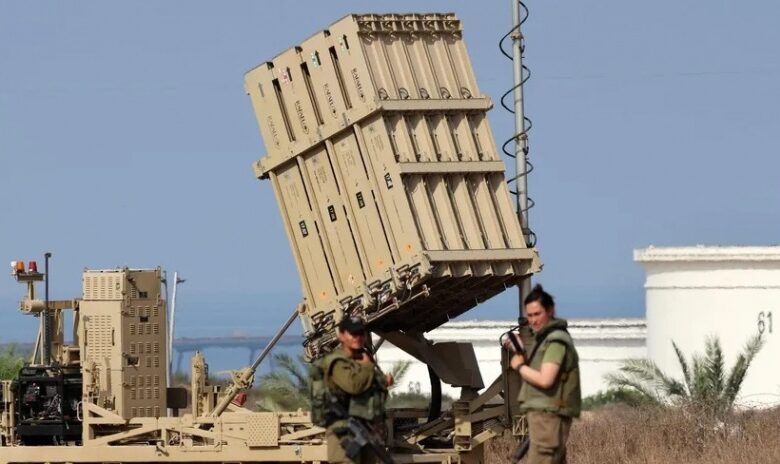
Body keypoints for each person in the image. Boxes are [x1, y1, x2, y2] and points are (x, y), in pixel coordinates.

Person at [508, 284, 581, 464]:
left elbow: (546, 380)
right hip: (545, 419)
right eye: (530, 315)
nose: (533, 320)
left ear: (550, 311)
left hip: (548, 421)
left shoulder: (556, 341)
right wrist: (520, 349)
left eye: (537, 314)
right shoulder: (545, 339)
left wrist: (519, 366)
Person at [319, 316, 393, 464]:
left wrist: (383, 383)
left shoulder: (364, 357)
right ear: (341, 336)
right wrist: (367, 367)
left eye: (360, 333)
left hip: (367, 430)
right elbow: (353, 386)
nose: (357, 337)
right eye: (353, 334)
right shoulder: (337, 361)